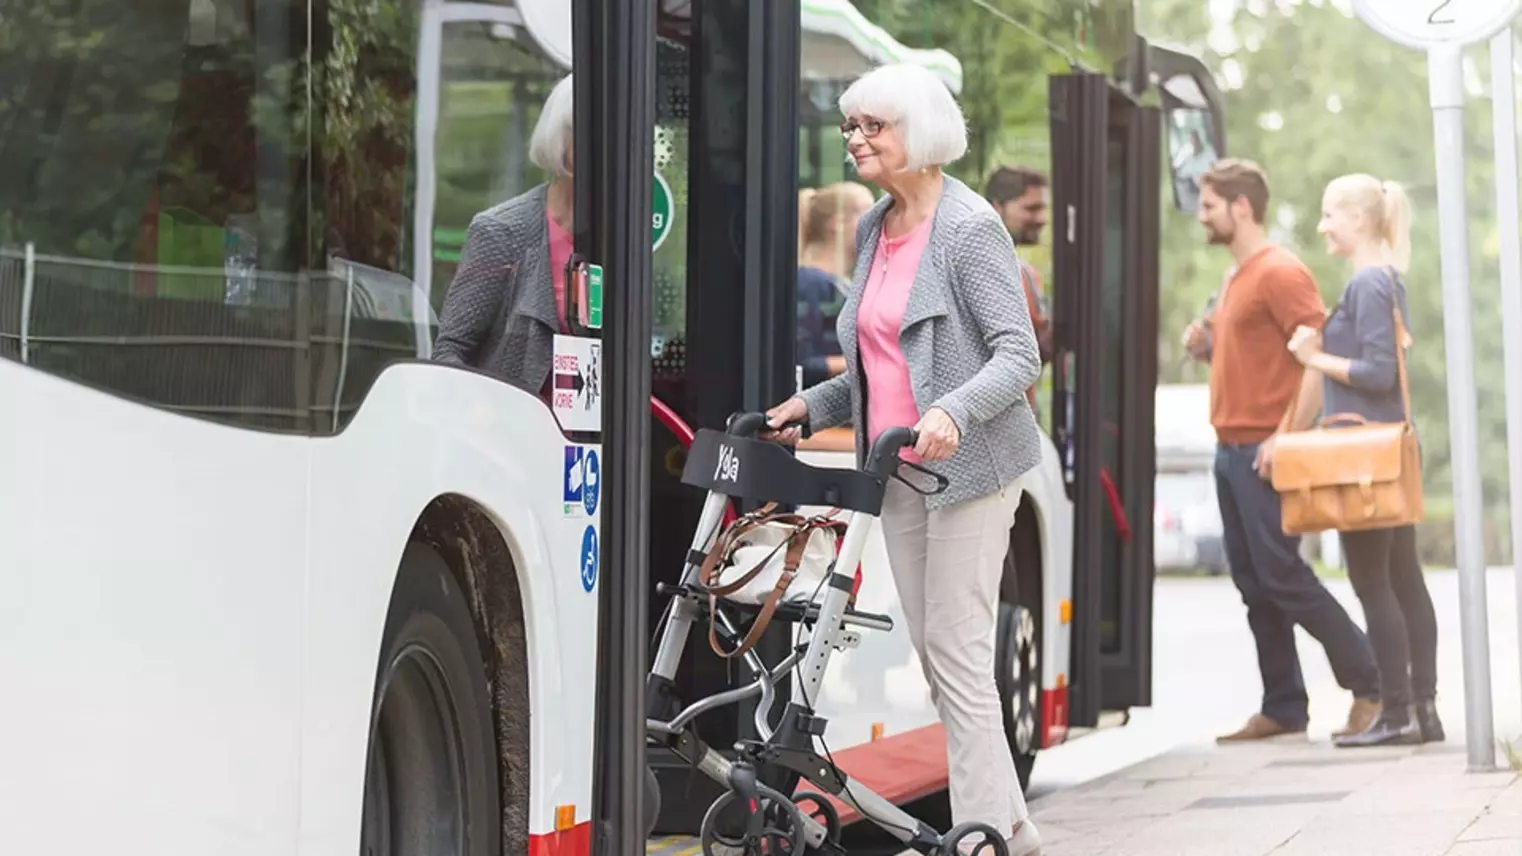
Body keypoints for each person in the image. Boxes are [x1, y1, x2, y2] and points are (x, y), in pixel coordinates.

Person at [761, 64, 1044, 856]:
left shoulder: (968, 226)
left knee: (956, 655)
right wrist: (810, 408)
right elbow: (876, 364)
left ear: (915, 132)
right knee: (940, 658)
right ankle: (1010, 831)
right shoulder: (872, 227)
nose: (854, 139)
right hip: (900, 472)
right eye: (851, 126)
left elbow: (1017, 354)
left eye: (872, 127)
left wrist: (952, 409)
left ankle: (981, 840)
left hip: (973, 471)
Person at [1182, 158, 1381, 743]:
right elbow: (1251, 354)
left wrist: (1287, 437)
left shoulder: (1280, 271)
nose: (1202, 216)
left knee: (1285, 576)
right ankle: (1285, 707)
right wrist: (1205, 345)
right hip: (1230, 449)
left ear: (1241, 208)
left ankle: (1374, 684)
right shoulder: (1236, 275)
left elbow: (1315, 360)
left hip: (1266, 451)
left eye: (1210, 206)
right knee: (1253, 582)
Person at [1276, 173, 1443, 747]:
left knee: (1376, 581)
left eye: (1329, 215)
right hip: (1383, 451)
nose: (1322, 226)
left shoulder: (1369, 284)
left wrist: (1313, 356)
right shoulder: (1384, 280)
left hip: (1363, 458)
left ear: (1359, 220)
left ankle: (1397, 713)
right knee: (1403, 579)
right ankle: (1421, 710)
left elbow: (1374, 373)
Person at [432, 74, 575, 397]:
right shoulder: (501, 231)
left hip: (595, 441)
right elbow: (449, 351)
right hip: (512, 435)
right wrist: (482, 411)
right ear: (561, 140)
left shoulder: (624, 241)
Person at [984, 165, 1054, 413]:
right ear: (996, 207)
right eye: (1031, 208)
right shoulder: (976, 270)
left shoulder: (1028, 274)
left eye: (1042, 208)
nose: (1041, 218)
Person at [797, 182, 875, 388]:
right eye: (869, 213)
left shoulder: (843, 284)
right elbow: (800, 364)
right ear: (837, 223)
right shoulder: (810, 283)